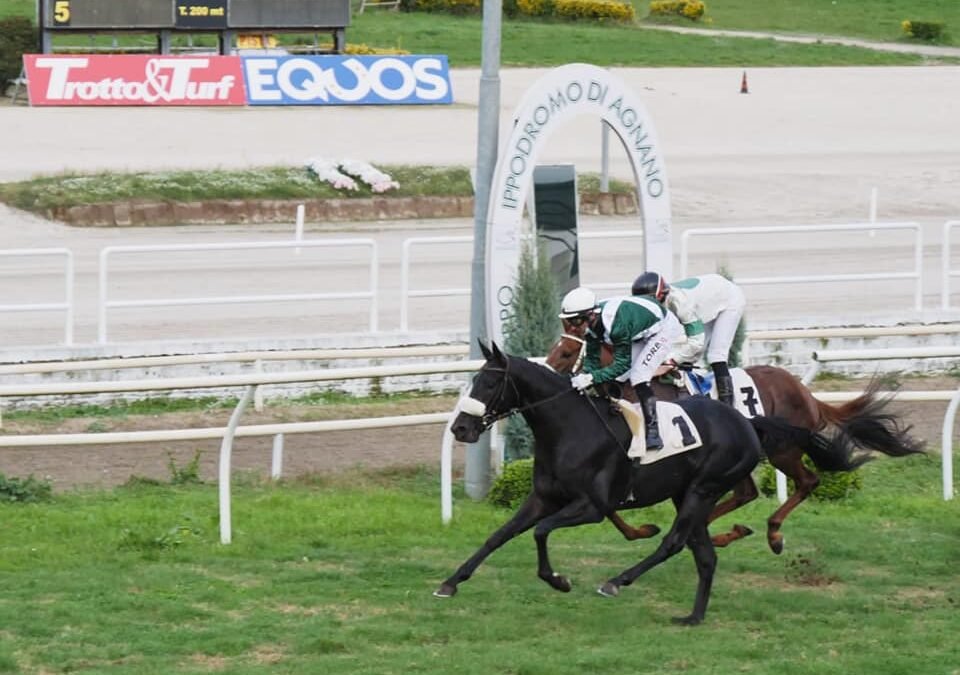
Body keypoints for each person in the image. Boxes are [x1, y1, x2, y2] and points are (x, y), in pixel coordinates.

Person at [558, 286, 682, 452]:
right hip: (637, 330)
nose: (573, 327)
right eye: (569, 321)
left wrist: (591, 378)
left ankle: (653, 432)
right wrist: (585, 375)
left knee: (639, 375)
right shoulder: (590, 327)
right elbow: (593, 360)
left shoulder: (616, 325)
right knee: (620, 377)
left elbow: (622, 364)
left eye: (575, 321)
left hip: (663, 328)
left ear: (591, 315)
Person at [631, 272, 746, 407]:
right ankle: (690, 391)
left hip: (729, 300)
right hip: (706, 301)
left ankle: (728, 406)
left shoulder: (681, 304)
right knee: (691, 355)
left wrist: (670, 361)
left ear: (661, 296)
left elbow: (696, 342)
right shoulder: (656, 301)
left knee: (716, 355)